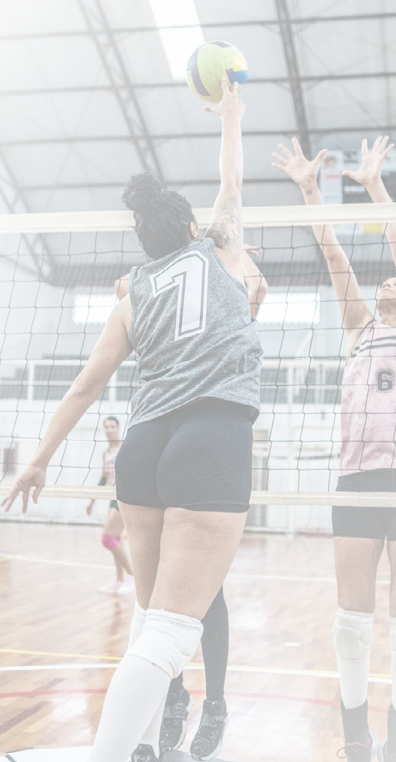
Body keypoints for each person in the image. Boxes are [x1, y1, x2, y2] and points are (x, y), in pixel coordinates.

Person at [2, 78, 262, 762]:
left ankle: (144, 746)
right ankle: (108, 757)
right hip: (212, 435)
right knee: (175, 629)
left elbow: (88, 385)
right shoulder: (222, 250)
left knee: (151, 614)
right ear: (188, 230)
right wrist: (231, 118)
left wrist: (38, 457)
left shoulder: (132, 293)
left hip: (144, 446)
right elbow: (231, 183)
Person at [273, 135, 396, 762]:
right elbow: (334, 256)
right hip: (358, 482)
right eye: (386, 281)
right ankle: (355, 741)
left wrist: (374, 185)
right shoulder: (359, 329)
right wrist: (312, 190)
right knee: (351, 624)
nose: (392, 280)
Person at [113, 248, 267, 759]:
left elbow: (254, 289)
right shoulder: (153, 289)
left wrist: (241, 257)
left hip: (208, 435)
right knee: (155, 598)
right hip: (160, 430)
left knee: (203, 595)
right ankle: (172, 697)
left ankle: (215, 703)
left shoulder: (225, 280)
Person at [86, 416, 134, 596]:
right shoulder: (106, 453)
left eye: (112, 426)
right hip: (110, 496)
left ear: (118, 428)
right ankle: (119, 580)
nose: (109, 429)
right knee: (116, 540)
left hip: (125, 496)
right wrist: (92, 500)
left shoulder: (125, 447)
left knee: (108, 539)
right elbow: (103, 479)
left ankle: (132, 576)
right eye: (106, 426)